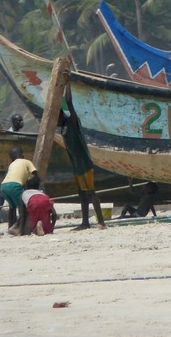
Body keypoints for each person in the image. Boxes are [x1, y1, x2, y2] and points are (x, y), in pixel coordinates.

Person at [60, 81, 106, 231]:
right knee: (82, 193)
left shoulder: (73, 121)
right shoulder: (63, 129)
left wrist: (67, 83)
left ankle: (101, 222)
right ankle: (85, 222)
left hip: (85, 163)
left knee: (91, 192)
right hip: (77, 165)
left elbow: (68, 101)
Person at [0, 147, 39, 234]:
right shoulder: (27, 162)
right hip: (15, 186)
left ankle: (10, 227)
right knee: (24, 209)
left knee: (12, 207)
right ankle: (19, 229)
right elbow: (36, 175)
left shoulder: (12, 165)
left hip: (3, 186)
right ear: (22, 155)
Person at [0, 114, 26, 208]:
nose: (21, 122)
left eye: (21, 120)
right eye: (19, 121)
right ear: (14, 122)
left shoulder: (18, 134)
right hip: (10, 165)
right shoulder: (8, 134)